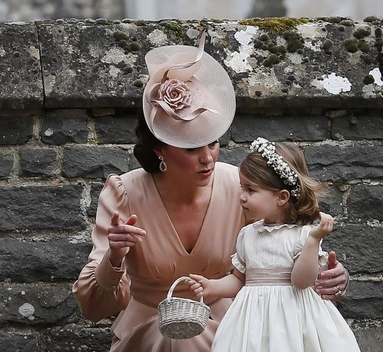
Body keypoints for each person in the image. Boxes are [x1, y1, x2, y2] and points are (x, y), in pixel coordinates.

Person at [72, 32, 350, 352]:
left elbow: (286, 253)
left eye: (213, 142)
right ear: (160, 149)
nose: (208, 158)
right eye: (191, 148)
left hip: (235, 330)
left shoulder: (241, 189)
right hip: (150, 335)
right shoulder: (124, 193)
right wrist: (115, 258)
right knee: (176, 339)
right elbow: (93, 308)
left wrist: (333, 277)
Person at [188, 137, 361, 352]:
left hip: (294, 321)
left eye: (250, 190)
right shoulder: (247, 235)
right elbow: (239, 279)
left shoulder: (303, 234)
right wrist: (212, 287)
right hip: (252, 323)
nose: (242, 197)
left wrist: (313, 241)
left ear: (281, 197)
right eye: (242, 188)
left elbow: (301, 281)